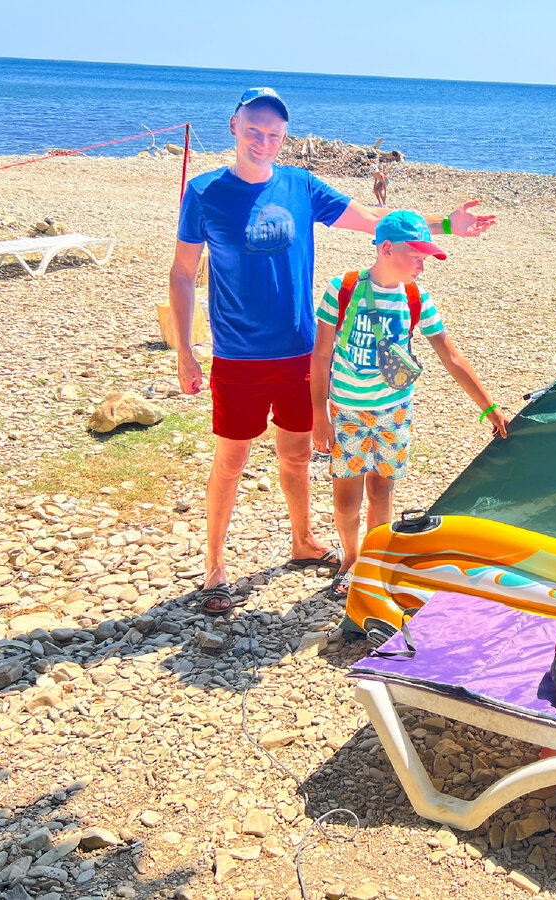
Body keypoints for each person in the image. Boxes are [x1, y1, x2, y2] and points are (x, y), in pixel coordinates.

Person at [169, 87, 495, 614]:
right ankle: (215, 568)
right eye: (254, 130)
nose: (264, 141)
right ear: (234, 126)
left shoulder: (300, 185)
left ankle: (302, 542)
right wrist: (186, 351)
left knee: (297, 453)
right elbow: (184, 274)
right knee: (231, 460)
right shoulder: (204, 192)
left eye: (274, 134)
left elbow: (378, 226)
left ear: (284, 138)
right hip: (236, 355)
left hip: (299, 350)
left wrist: (447, 226)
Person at [310, 210, 509, 597]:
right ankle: (350, 558)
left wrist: (488, 406)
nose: (422, 264)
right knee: (346, 499)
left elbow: (450, 355)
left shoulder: (417, 298)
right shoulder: (343, 288)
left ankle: (372, 560)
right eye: (415, 255)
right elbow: (319, 355)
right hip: (347, 411)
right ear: (386, 249)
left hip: (396, 411)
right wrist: (319, 414)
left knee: (381, 492)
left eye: (425, 256)